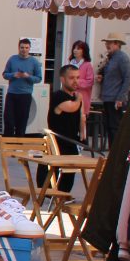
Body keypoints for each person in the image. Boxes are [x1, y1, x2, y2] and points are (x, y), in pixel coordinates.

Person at [43, 64, 85, 194]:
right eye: (72, 78)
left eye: (78, 77)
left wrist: (83, 134)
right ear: (62, 79)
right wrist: (79, 100)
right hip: (58, 144)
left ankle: (64, 196)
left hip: (71, 142)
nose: (75, 81)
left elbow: (82, 116)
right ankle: (55, 196)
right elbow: (72, 107)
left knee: (69, 177)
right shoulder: (58, 96)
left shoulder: (76, 98)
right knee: (57, 176)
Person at [1, 38, 42, 136]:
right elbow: (5, 74)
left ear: (29, 48)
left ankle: (19, 141)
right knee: (9, 119)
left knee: (22, 121)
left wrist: (28, 76)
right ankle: (7, 141)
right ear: (18, 48)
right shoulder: (12, 59)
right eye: (22, 47)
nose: (24, 50)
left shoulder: (34, 62)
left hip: (25, 95)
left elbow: (39, 78)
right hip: (12, 94)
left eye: (26, 48)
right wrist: (13, 75)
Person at [99, 33, 130, 143]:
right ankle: (112, 149)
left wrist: (120, 98)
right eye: (106, 43)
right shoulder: (111, 58)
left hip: (115, 98)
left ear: (117, 44)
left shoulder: (122, 58)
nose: (107, 45)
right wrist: (102, 77)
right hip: (108, 97)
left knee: (115, 127)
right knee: (109, 126)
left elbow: (128, 78)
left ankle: (115, 150)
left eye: (110, 43)